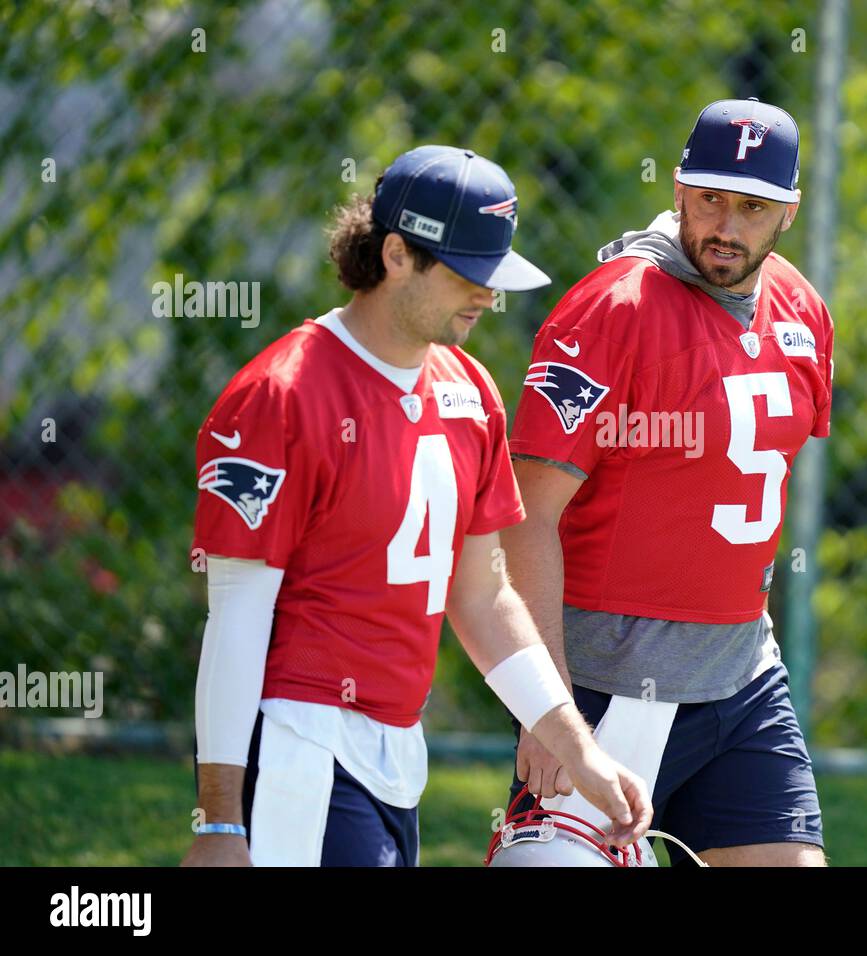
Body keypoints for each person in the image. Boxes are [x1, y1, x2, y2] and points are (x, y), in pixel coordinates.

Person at [181, 145, 650, 867]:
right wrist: (218, 824)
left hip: (398, 753)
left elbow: (484, 593)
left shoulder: (470, 392)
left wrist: (576, 748)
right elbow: (237, 616)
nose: (488, 296)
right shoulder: (281, 395)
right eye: (469, 273)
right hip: (300, 746)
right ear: (396, 254)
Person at [502, 99, 834, 866]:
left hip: (742, 675)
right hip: (604, 680)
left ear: (788, 211)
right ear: (679, 189)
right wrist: (546, 707)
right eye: (711, 197)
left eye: (752, 207)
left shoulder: (802, 311)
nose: (727, 224)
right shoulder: (612, 309)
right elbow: (526, 516)